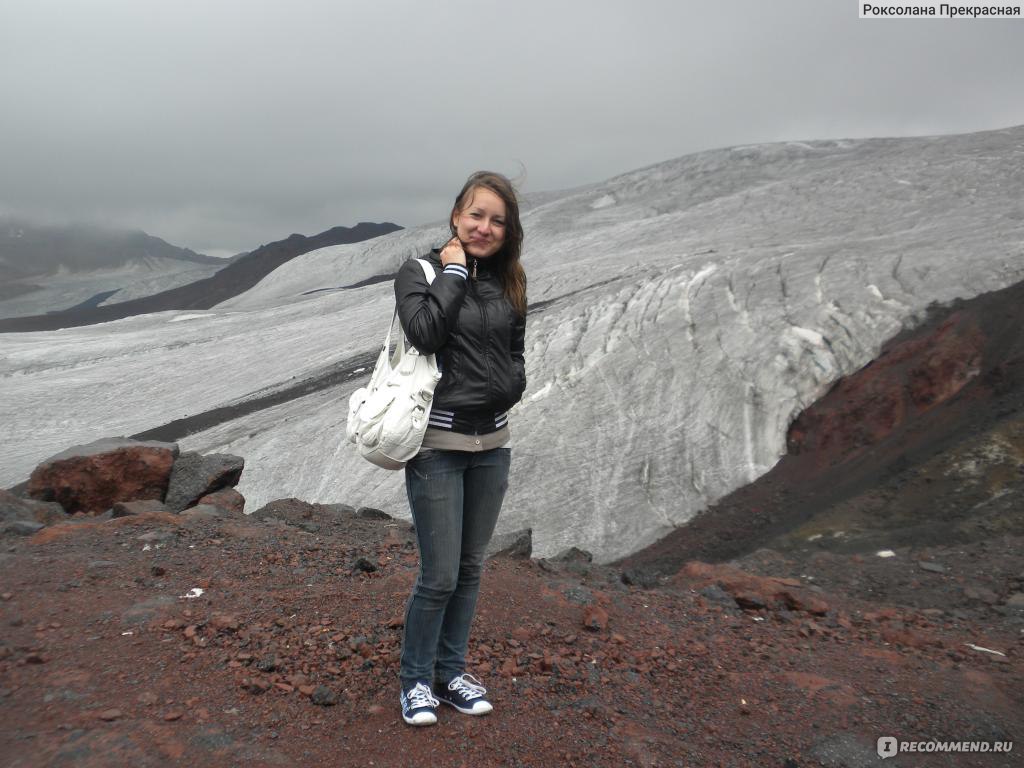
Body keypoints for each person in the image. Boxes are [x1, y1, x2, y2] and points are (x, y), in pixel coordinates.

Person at [392, 170, 527, 726]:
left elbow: (515, 346)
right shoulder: (419, 271)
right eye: (476, 215)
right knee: (440, 574)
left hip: (492, 441)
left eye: (497, 220)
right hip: (439, 442)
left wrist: (513, 384)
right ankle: (415, 681)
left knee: (471, 567)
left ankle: (451, 673)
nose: (485, 227)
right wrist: (452, 270)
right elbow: (424, 331)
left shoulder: (509, 280)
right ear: (456, 216)